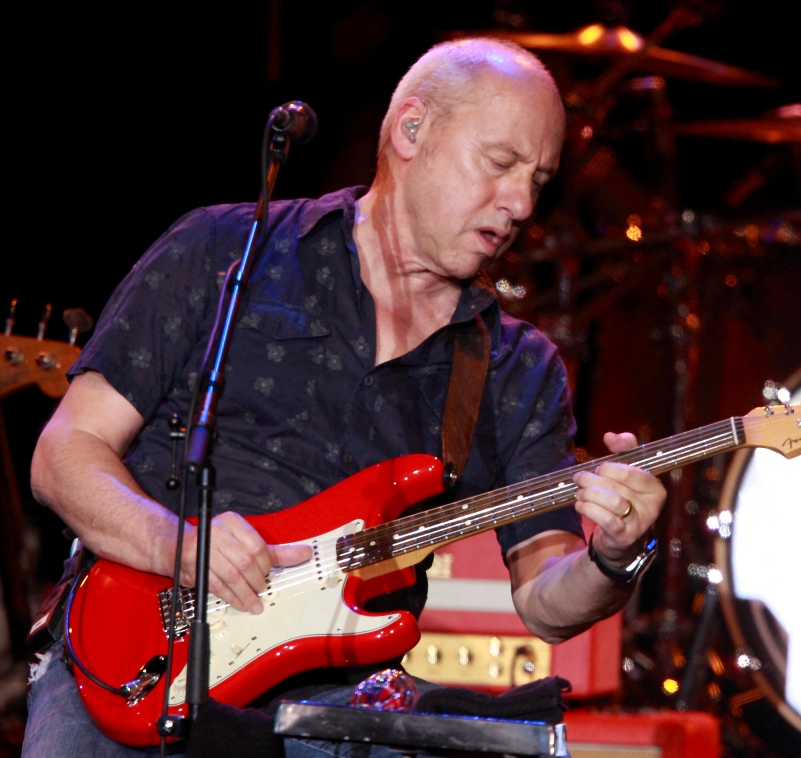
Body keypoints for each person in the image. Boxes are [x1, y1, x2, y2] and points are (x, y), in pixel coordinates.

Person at [23, 38, 667, 757]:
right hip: (138, 646)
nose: (519, 202)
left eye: (538, 181)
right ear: (411, 129)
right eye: (500, 164)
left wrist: (613, 556)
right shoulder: (226, 251)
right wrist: (174, 543)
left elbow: (546, 601)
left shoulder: (517, 366)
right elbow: (64, 455)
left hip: (337, 702)